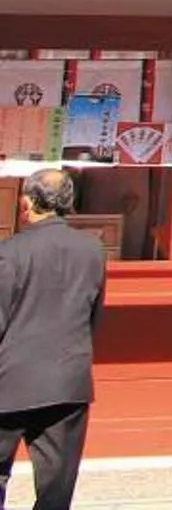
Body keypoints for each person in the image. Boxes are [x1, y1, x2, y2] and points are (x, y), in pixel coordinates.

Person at [0, 167, 106, 510]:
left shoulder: (10, 251)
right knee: (56, 488)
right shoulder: (92, 250)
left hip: (10, 381)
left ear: (26, 203)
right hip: (68, 379)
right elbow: (94, 314)